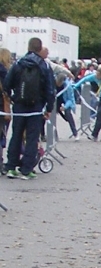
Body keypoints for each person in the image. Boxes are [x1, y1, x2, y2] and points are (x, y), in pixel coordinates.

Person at [3, 36, 56, 178]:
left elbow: (7, 84)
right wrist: (48, 108)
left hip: (19, 105)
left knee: (16, 135)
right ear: (40, 49)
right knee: (32, 137)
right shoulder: (44, 66)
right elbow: (50, 89)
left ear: (28, 47)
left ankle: (11, 166)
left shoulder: (18, 63)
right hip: (36, 106)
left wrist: (12, 97)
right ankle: (27, 169)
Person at [74, 64, 101, 141]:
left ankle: (94, 135)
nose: (96, 77)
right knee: (100, 117)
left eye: (98, 75)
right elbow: (85, 79)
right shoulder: (94, 77)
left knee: (100, 114)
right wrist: (76, 85)